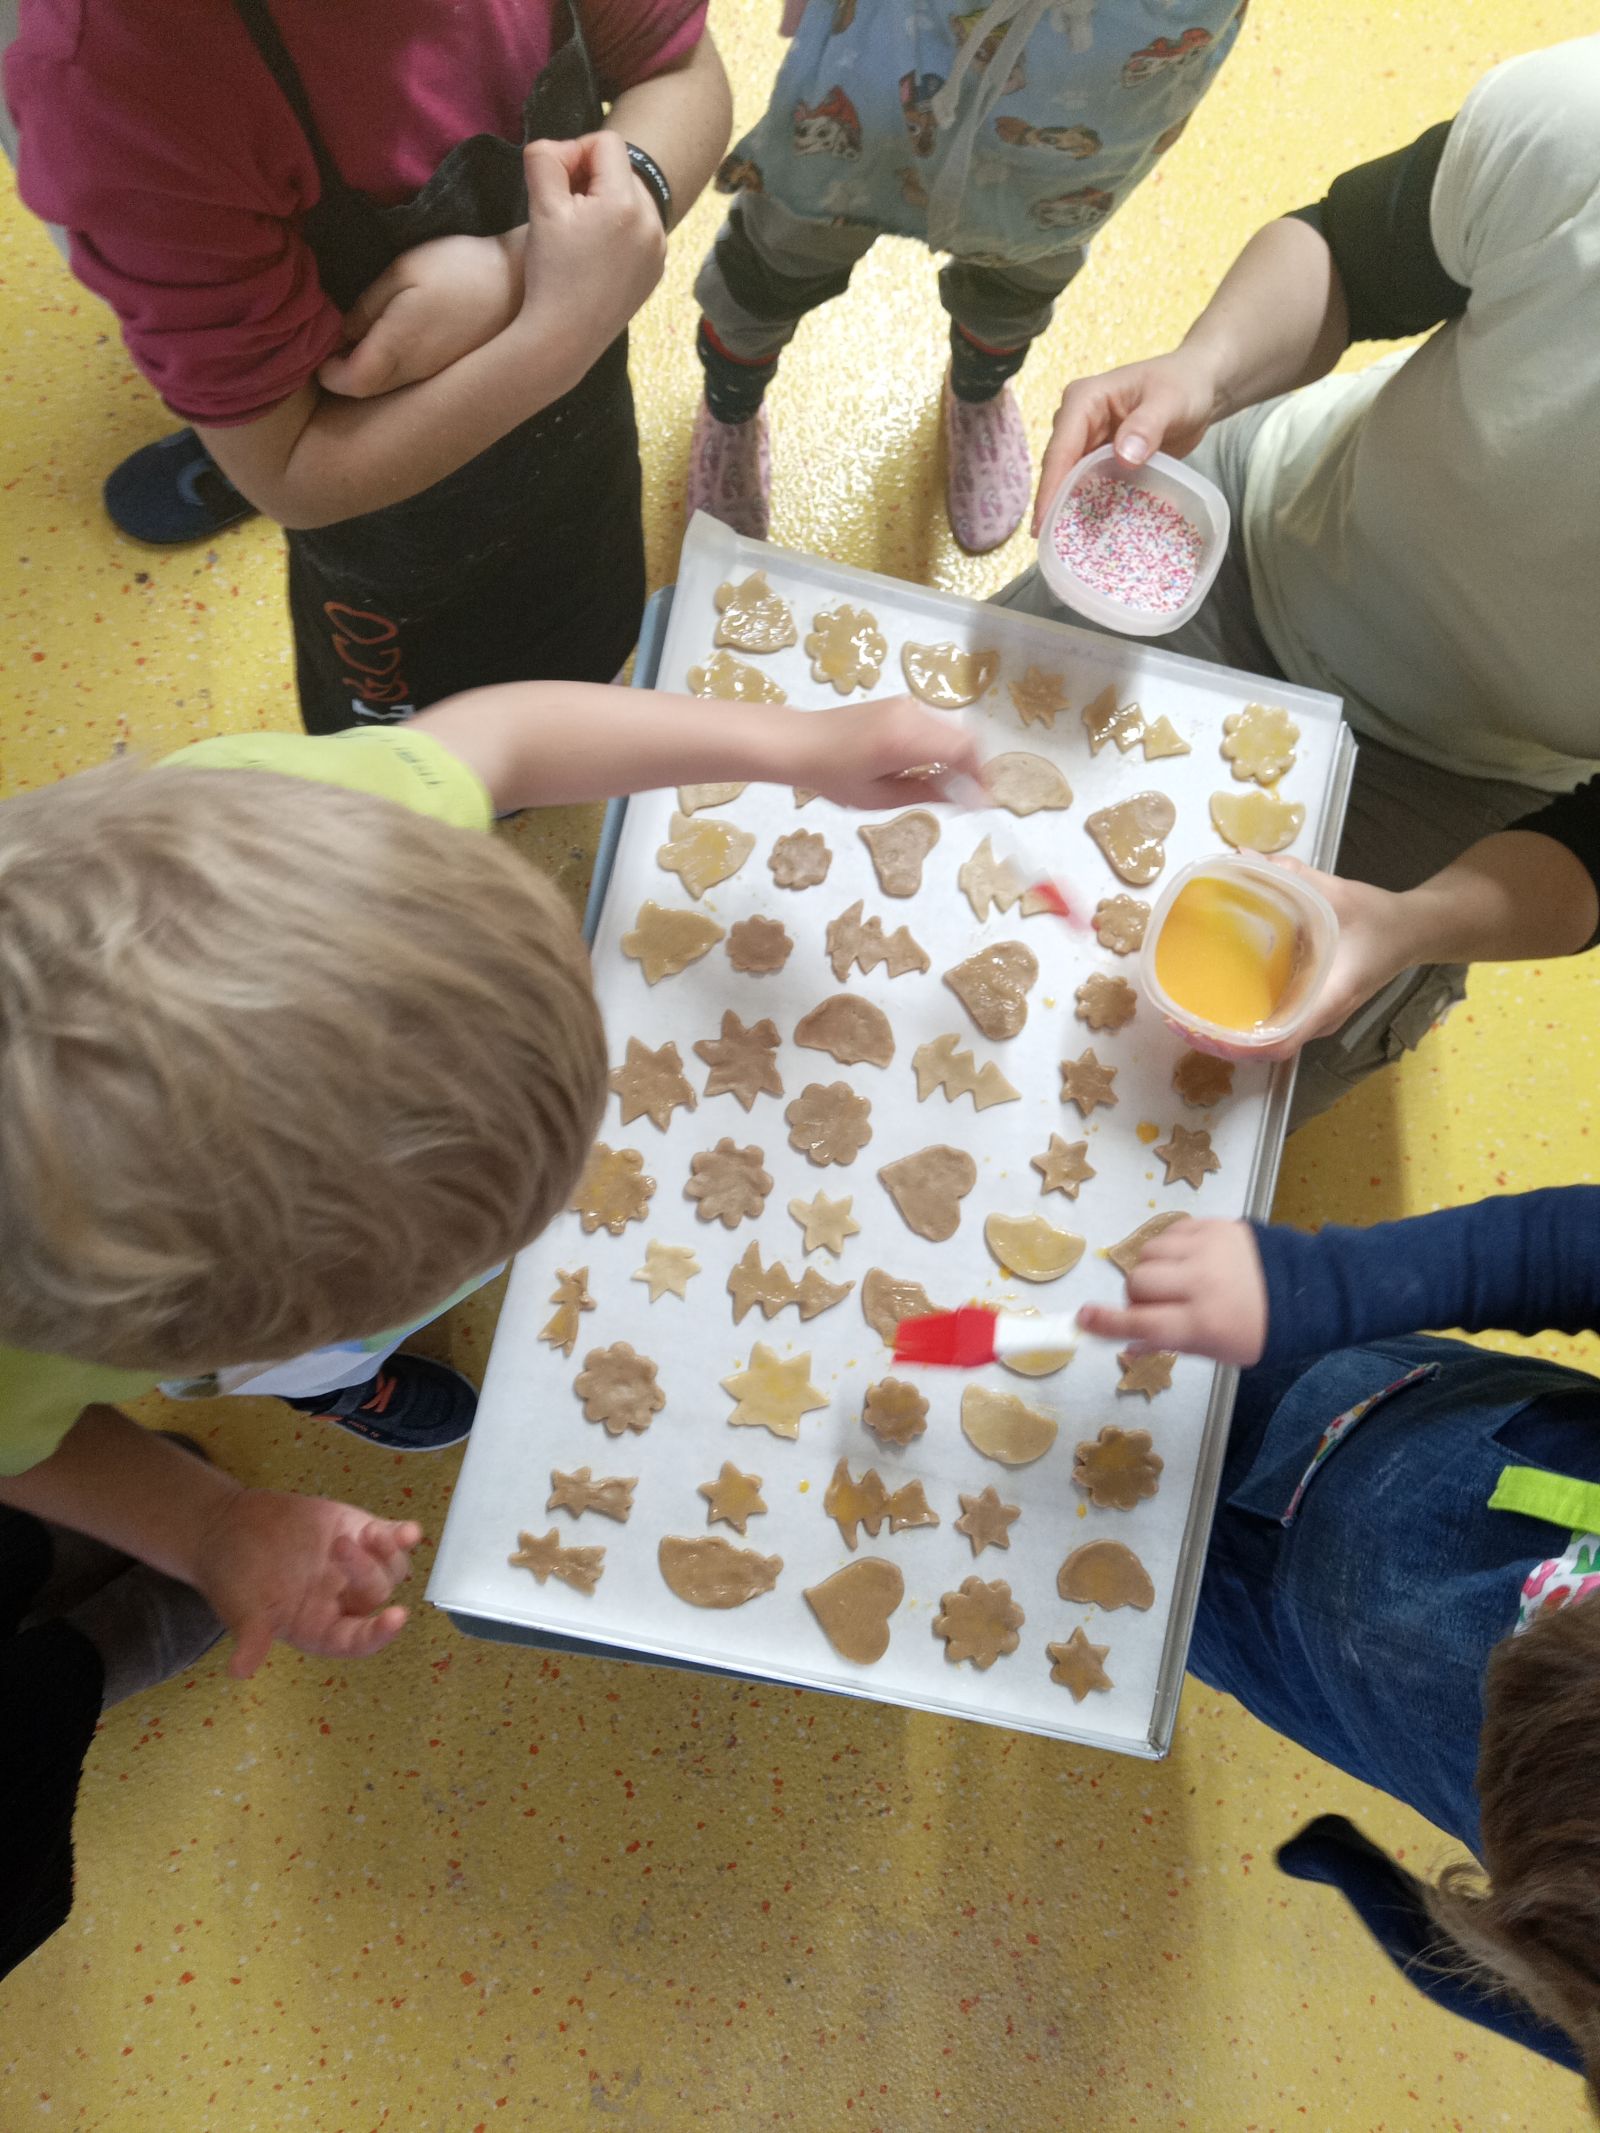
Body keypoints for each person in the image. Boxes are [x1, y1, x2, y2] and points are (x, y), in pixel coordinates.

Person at [0, 672, 983, 1979]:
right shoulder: (28, 1337)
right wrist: (204, 1522)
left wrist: (799, 745)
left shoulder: (302, 845)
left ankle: (327, 1370)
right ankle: (325, 1382)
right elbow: (26, 1449)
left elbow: (501, 740)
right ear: (161, 1347)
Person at [998, 35, 1600, 1119]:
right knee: (959, 801)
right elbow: (1347, 253)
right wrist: (1202, 371)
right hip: (1250, 533)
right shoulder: (1582, 129)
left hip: (1455, 782)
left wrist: (1410, 925)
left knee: (1177, 1098)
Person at [3, 0, 733, 715]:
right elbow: (290, 468)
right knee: (434, 753)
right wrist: (558, 334)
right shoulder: (121, 95)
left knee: (581, 641)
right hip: (393, 555)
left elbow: (678, 72)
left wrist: (518, 267)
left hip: (580, 460)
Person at [1077, 1190, 1600, 2094]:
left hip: (1278, 1647)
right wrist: (1322, 1288)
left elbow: (1558, 2008)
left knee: (1096, 1567)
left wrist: (1429, 1930)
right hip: (1363, 1404)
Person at [686, 0, 1248, 555]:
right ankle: (730, 400)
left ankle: (980, 387)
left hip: (1103, 72)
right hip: (897, 39)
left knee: (1026, 264)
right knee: (782, 254)